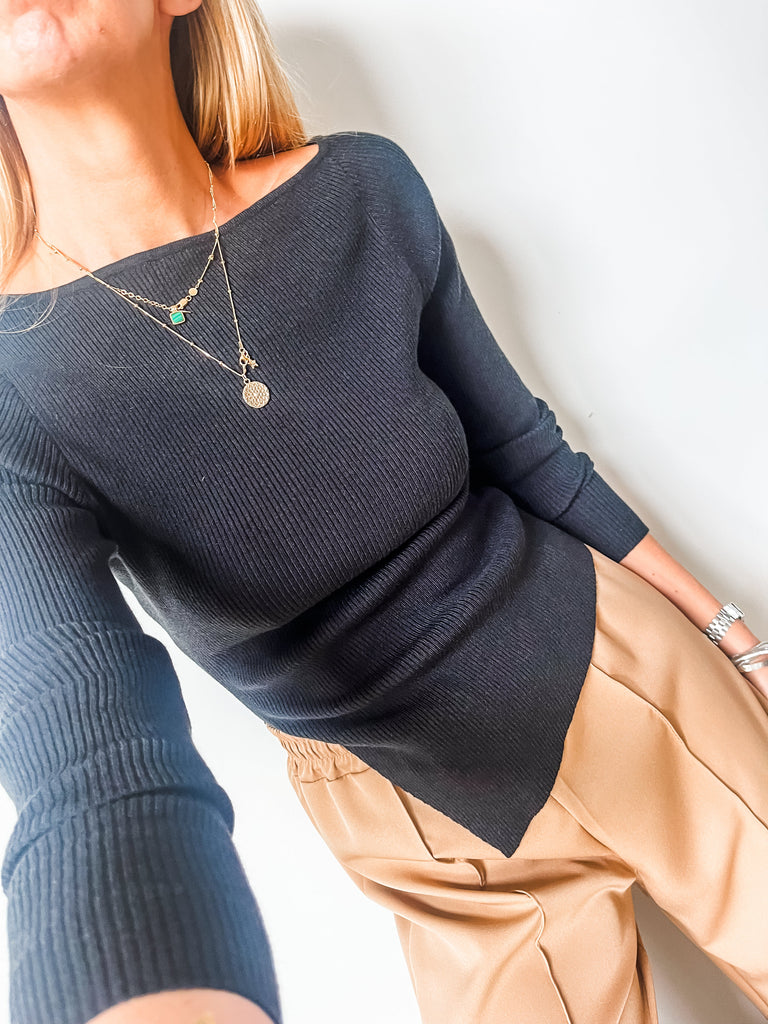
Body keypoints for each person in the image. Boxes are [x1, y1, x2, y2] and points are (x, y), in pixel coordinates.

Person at [1, 3, 767, 1024]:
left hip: (615, 663)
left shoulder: (360, 188)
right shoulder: (12, 381)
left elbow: (526, 452)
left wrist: (731, 637)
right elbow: (75, 734)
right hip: (417, 817)